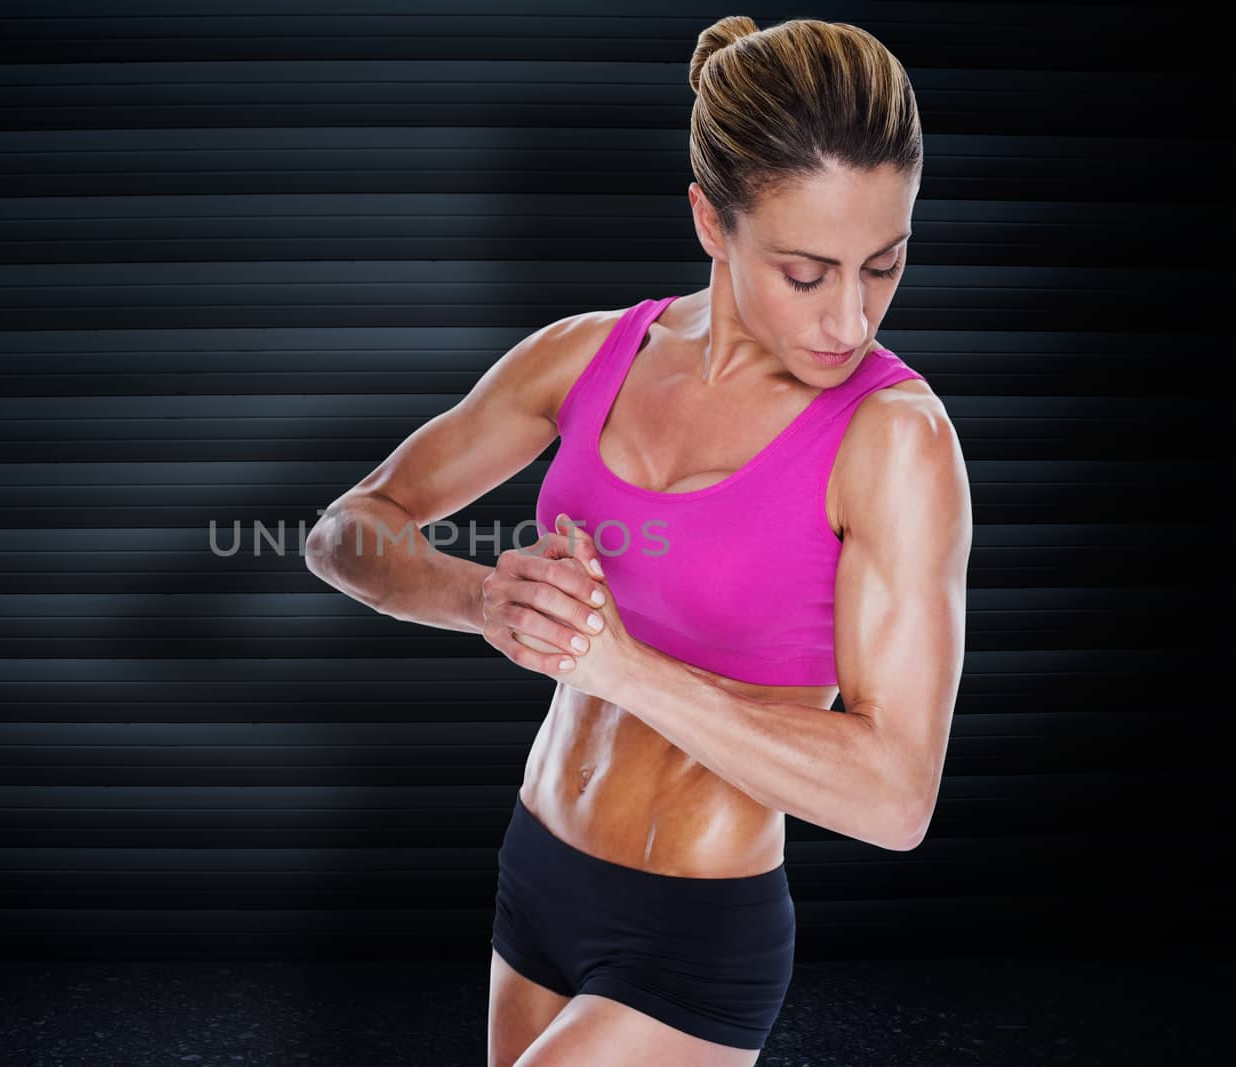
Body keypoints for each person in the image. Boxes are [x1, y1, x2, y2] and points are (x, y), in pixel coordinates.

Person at [306, 14, 970, 1067]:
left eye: (882, 265)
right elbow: (349, 530)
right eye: (806, 273)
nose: (850, 319)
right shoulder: (585, 355)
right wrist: (479, 598)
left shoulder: (895, 439)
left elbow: (895, 794)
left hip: (691, 934)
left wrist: (619, 665)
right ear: (712, 220)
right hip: (537, 874)